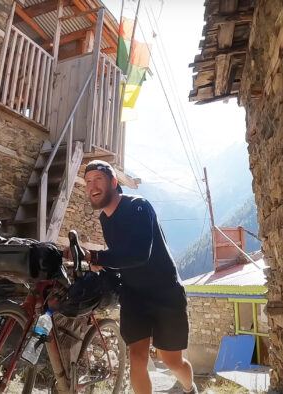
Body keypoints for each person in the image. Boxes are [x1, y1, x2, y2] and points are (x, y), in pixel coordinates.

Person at [74, 159, 197, 394]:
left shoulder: (138, 206)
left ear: (113, 182)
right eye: (88, 182)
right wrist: (103, 266)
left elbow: (139, 254)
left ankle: (190, 388)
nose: (92, 186)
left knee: (172, 362)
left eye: (98, 179)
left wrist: (98, 258)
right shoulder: (104, 219)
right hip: (134, 295)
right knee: (137, 358)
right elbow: (120, 257)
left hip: (165, 294)